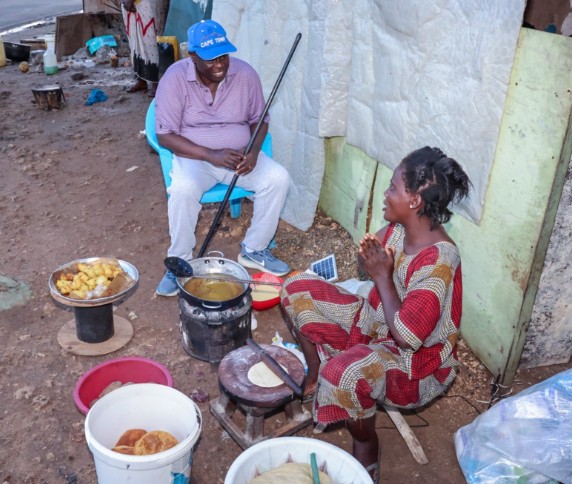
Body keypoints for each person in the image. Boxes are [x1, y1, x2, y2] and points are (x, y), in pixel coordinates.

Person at [280, 147, 471, 481]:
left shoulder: (440, 260)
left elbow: (408, 337)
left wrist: (382, 275)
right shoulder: (399, 230)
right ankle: (314, 375)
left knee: (345, 374)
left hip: (417, 364)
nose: (386, 193)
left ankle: (366, 442)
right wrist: (372, 258)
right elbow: (374, 265)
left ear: (414, 201)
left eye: (393, 188)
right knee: (296, 287)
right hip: (378, 322)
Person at [154, 20, 291, 296]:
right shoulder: (175, 78)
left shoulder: (245, 75)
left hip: (238, 157)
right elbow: (165, 136)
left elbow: (259, 120)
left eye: (223, 55)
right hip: (195, 158)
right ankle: (180, 260)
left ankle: (254, 249)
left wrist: (253, 152)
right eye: (210, 58)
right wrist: (210, 155)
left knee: (278, 179)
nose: (220, 64)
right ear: (192, 56)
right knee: (182, 190)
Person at [121, 0, 170, 96]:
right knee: (135, 42)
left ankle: (156, 83)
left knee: (149, 41)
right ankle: (141, 80)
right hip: (127, 4)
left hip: (145, 3)